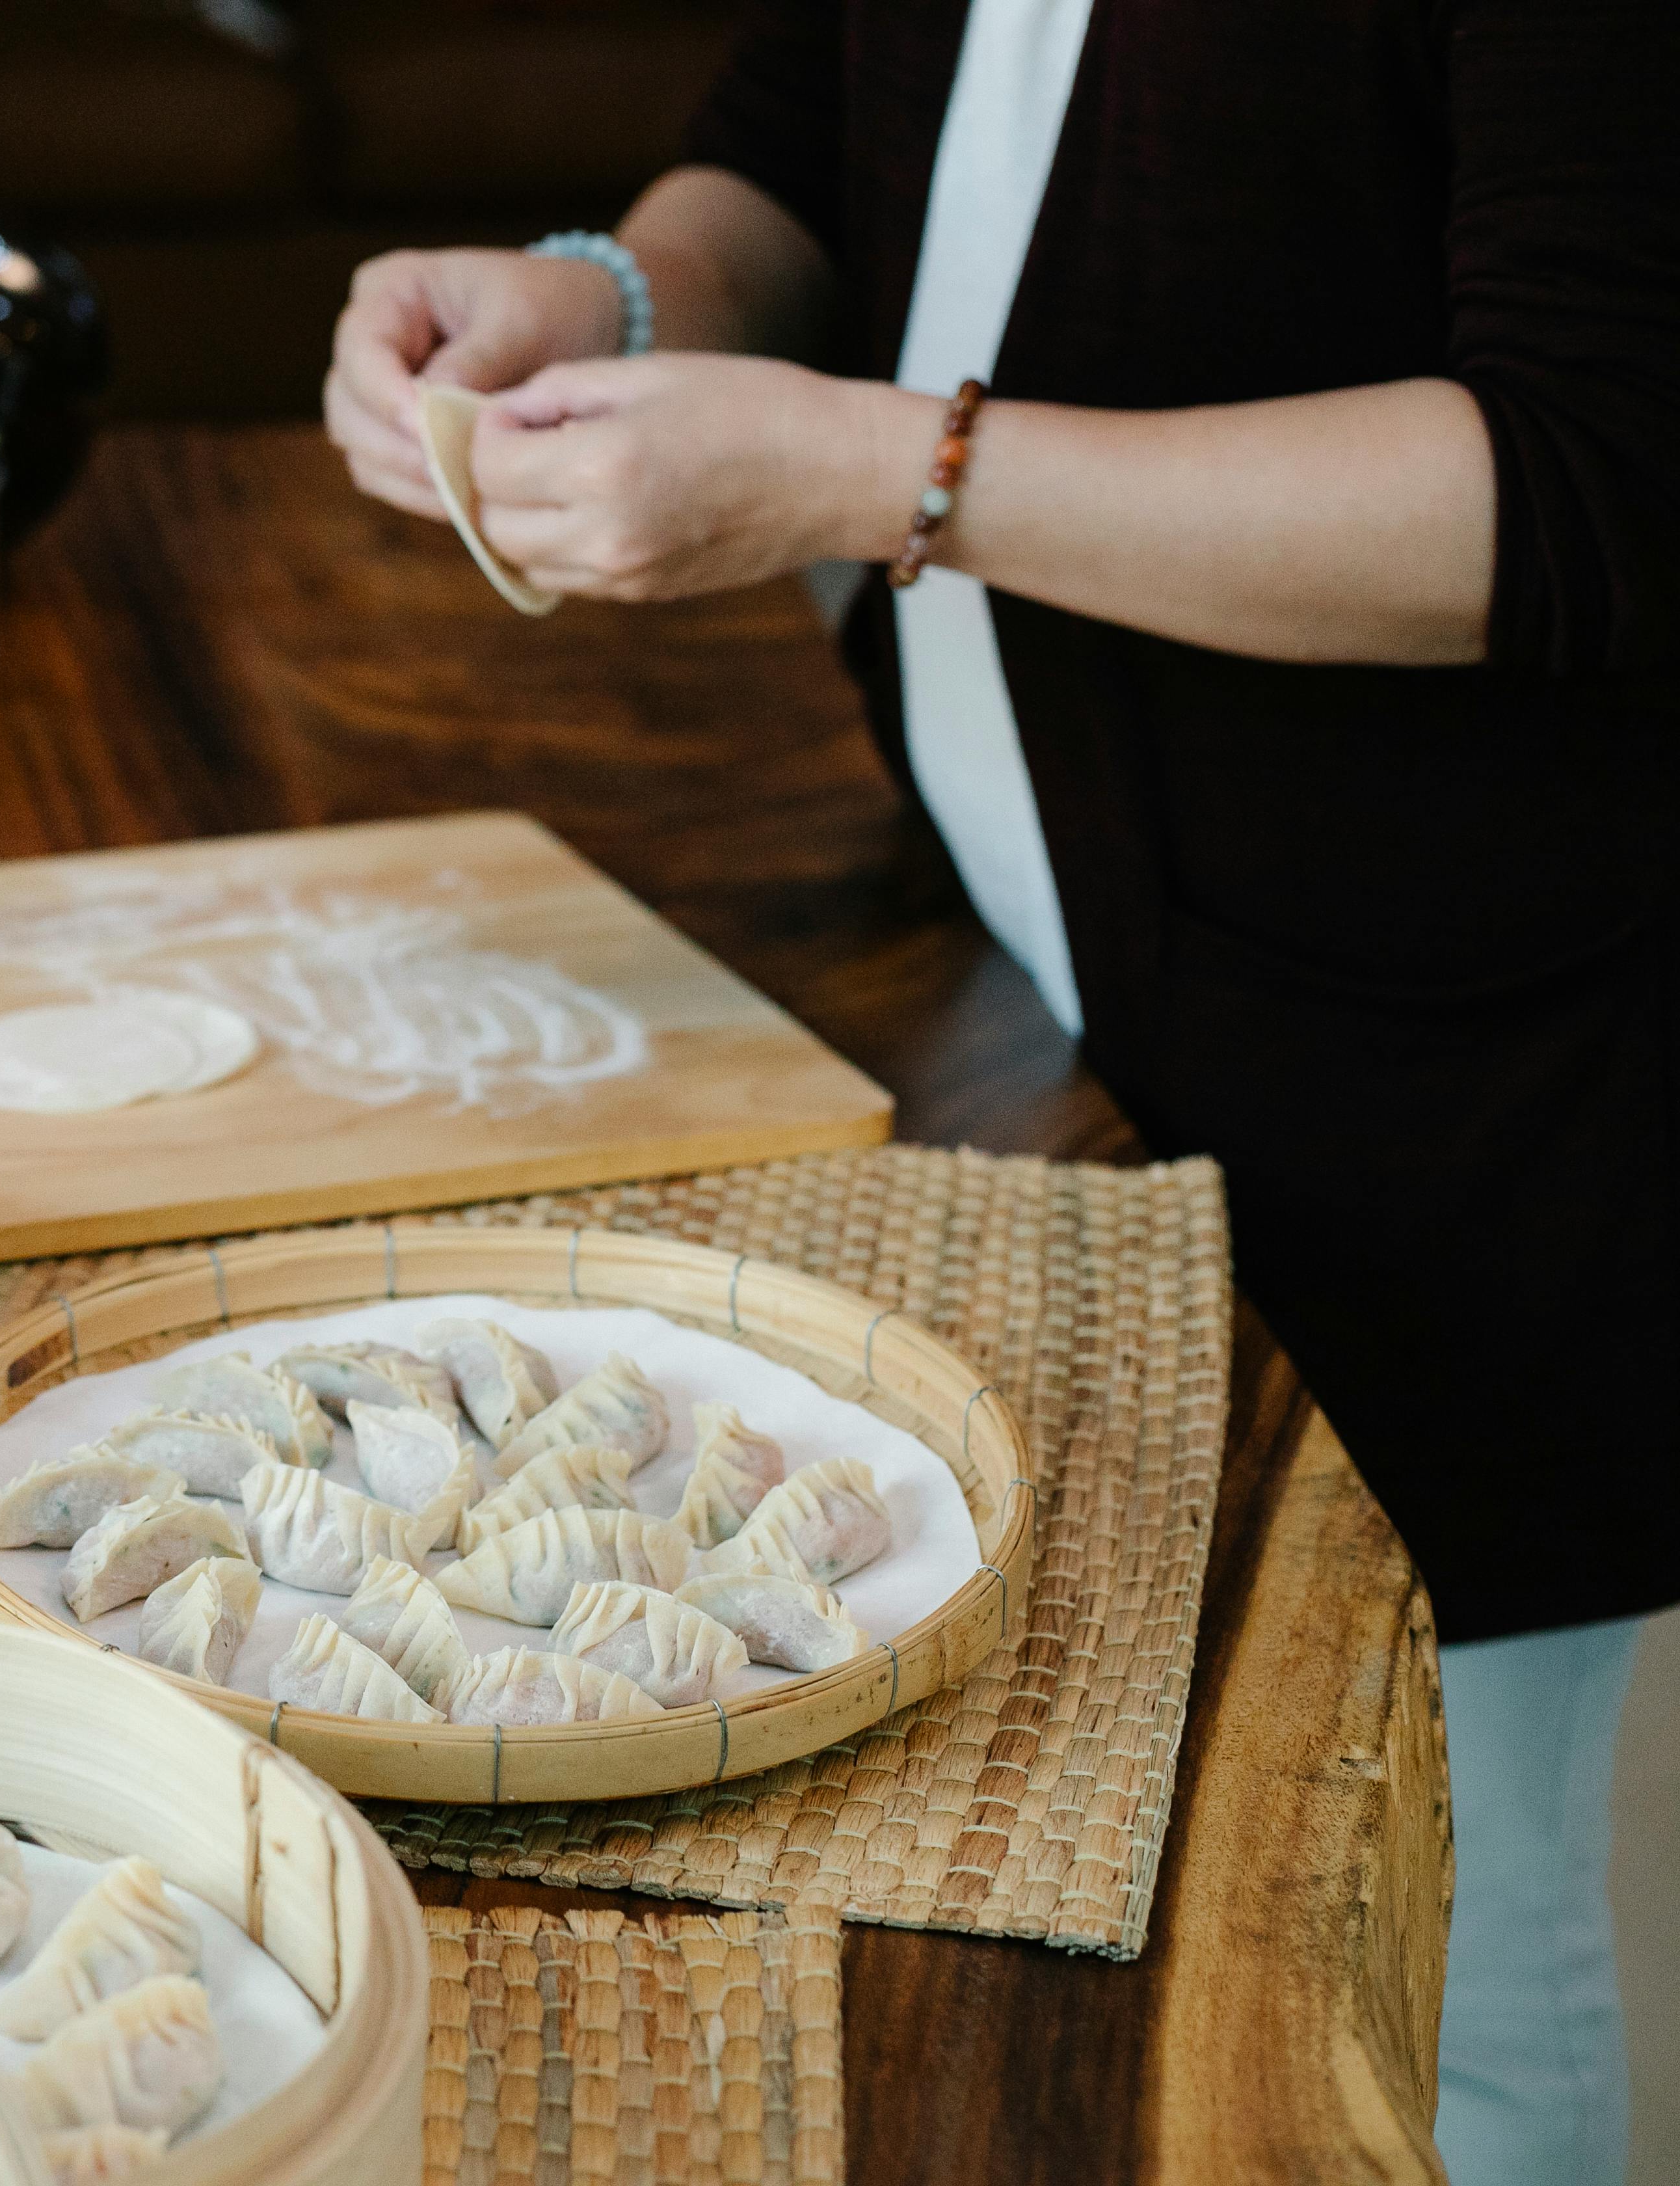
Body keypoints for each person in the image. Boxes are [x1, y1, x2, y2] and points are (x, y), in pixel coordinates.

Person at [325, 2, 1674, 2178]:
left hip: (1449, 1087)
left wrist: (868, 472)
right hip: (1031, 969)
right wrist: (611, 292)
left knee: (1412, 1973)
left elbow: (1583, 479)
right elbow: (808, 126)